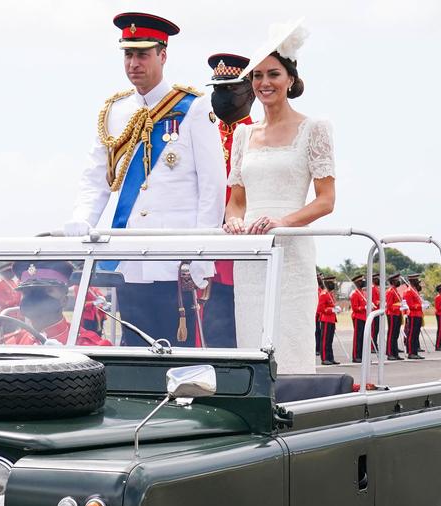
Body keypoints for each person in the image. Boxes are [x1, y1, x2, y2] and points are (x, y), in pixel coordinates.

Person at [67, 13, 225, 348]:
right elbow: (95, 177)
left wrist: (201, 253)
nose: (134, 63)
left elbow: (213, 186)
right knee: (134, 350)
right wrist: (82, 219)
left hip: (174, 261)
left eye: (142, 54)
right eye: (128, 54)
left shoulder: (193, 108)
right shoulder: (114, 111)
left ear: (162, 55)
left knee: (177, 354)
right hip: (130, 258)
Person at [222, 20, 335, 372]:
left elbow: (326, 200)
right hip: (251, 252)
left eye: (272, 74)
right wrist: (234, 222)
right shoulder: (243, 136)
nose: (264, 83)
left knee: (290, 337)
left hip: (291, 247)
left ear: (290, 79)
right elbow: (236, 200)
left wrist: (282, 222)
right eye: (256, 76)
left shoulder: (314, 128)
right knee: (252, 339)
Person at [202, 52, 254, 347]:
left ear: (249, 91)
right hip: (207, 247)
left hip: (241, 248)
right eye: (217, 89)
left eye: (230, 88)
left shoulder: (257, 136)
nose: (221, 96)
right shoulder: (204, 134)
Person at [2, 262, 111, 346]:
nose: (36, 298)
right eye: (28, 292)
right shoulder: (12, 344)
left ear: (64, 300)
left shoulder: (88, 346)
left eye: (48, 291)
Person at [316, 275, 339, 365]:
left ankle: (330, 357)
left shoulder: (330, 294)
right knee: (325, 340)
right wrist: (331, 310)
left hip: (332, 319)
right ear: (328, 283)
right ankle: (324, 358)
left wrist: (336, 309)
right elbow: (320, 309)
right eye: (332, 283)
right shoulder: (324, 294)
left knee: (330, 340)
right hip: (325, 319)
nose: (334, 284)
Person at [403, 273, 424, 359]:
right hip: (412, 315)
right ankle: (411, 352)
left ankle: (415, 352)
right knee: (412, 334)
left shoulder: (414, 290)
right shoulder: (409, 291)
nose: (418, 282)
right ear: (412, 281)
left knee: (416, 334)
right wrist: (420, 306)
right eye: (416, 280)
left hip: (418, 314)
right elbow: (411, 306)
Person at [384, 273, 404, 360]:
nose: (398, 281)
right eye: (397, 280)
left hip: (397, 314)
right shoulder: (390, 291)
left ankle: (395, 353)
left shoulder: (395, 291)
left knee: (395, 335)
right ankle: (389, 353)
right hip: (392, 314)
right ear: (393, 281)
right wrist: (400, 305)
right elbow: (389, 306)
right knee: (391, 334)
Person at [349, 273, 368, 362]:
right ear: (357, 283)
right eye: (361, 281)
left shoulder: (362, 293)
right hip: (358, 317)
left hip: (364, 317)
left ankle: (362, 356)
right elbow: (355, 308)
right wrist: (363, 307)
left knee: (363, 338)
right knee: (358, 337)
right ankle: (356, 356)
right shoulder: (355, 294)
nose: (363, 282)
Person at [434, 284, 441, 351]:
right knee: (440, 330)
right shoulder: (438, 297)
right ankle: (438, 345)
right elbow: (438, 307)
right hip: (439, 314)